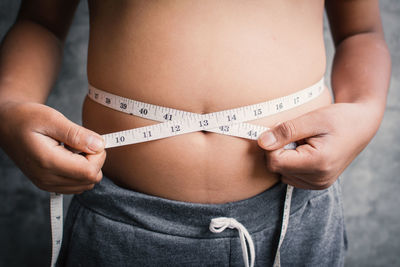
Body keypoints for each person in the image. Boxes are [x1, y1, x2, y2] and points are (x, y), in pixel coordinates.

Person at [0, 0, 391, 266]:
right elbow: (41, 22)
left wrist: (364, 111)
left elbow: (360, 31)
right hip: (120, 218)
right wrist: (9, 104)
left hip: (295, 213)